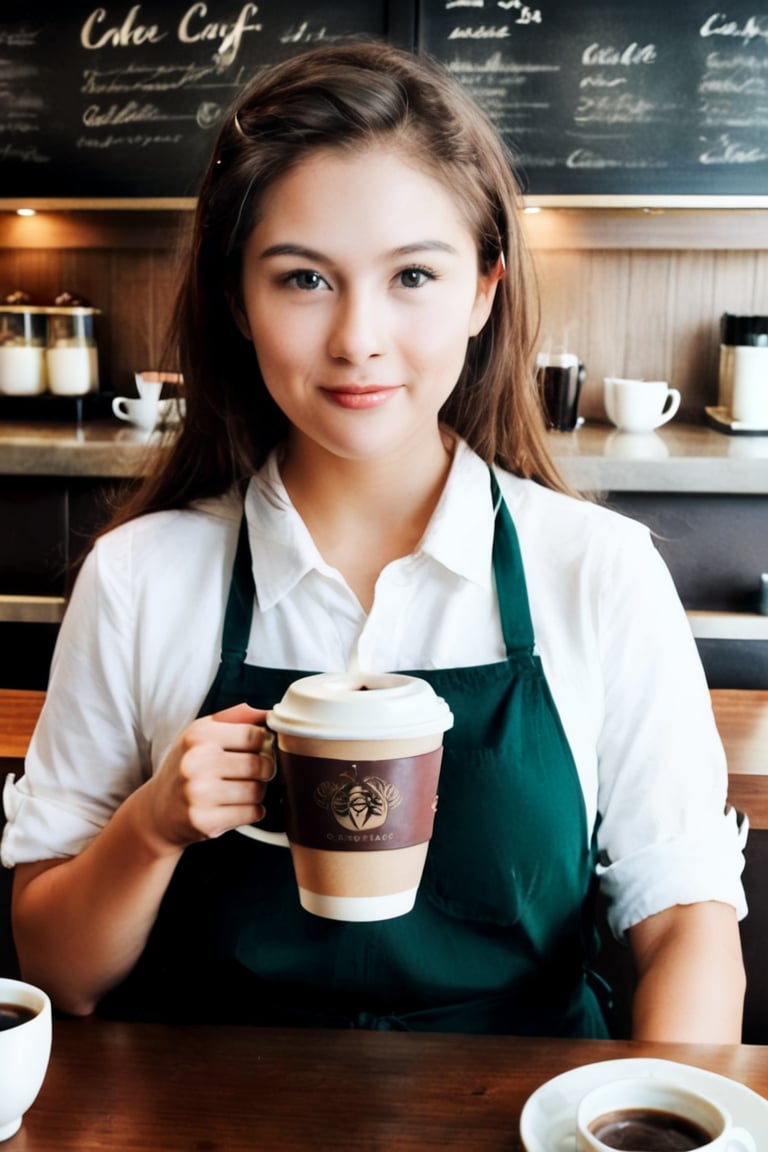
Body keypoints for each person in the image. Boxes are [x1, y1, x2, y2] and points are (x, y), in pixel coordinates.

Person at [2, 40, 746, 1039]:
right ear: (238, 300)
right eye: (304, 280)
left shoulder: (598, 571)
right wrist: (153, 826)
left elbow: (685, 921)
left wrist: (663, 1116)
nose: (358, 336)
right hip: (209, 1122)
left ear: (483, 290)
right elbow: (61, 973)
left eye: (412, 276)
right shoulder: (139, 577)